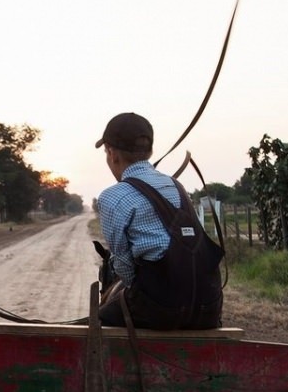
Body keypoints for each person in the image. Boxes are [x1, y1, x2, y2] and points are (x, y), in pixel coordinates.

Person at [94, 112, 223, 330]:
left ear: (112, 153)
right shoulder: (175, 185)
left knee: (102, 318)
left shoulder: (113, 196)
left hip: (159, 309)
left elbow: (124, 268)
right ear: (149, 151)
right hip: (209, 305)